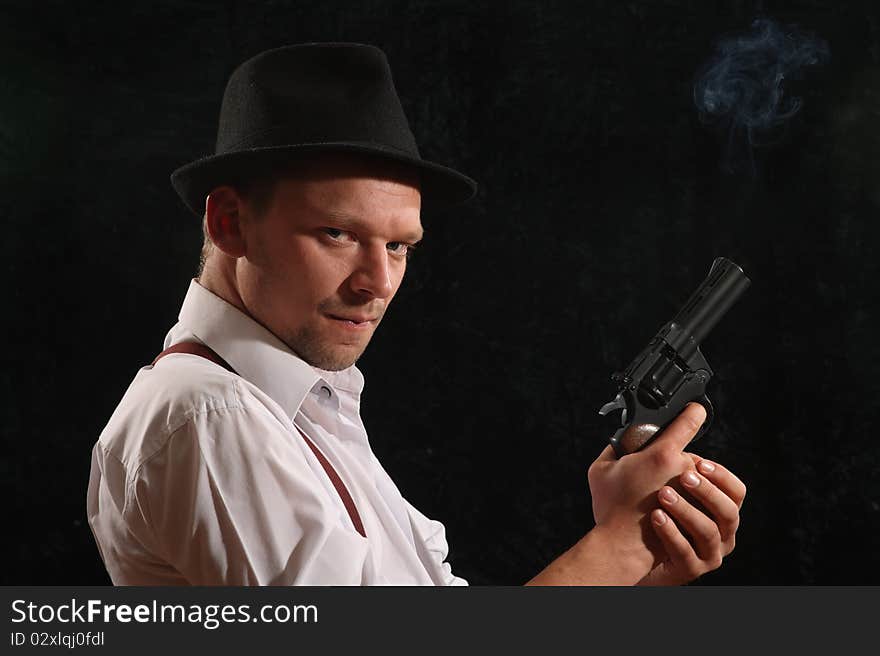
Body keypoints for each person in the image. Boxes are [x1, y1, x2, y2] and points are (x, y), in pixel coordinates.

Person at [87, 42, 745, 586]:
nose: (378, 283)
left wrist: (641, 565)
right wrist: (619, 545)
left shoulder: (302, 409)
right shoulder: (213, 416)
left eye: (398, 245)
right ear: (231, 223)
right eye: (337, 235)